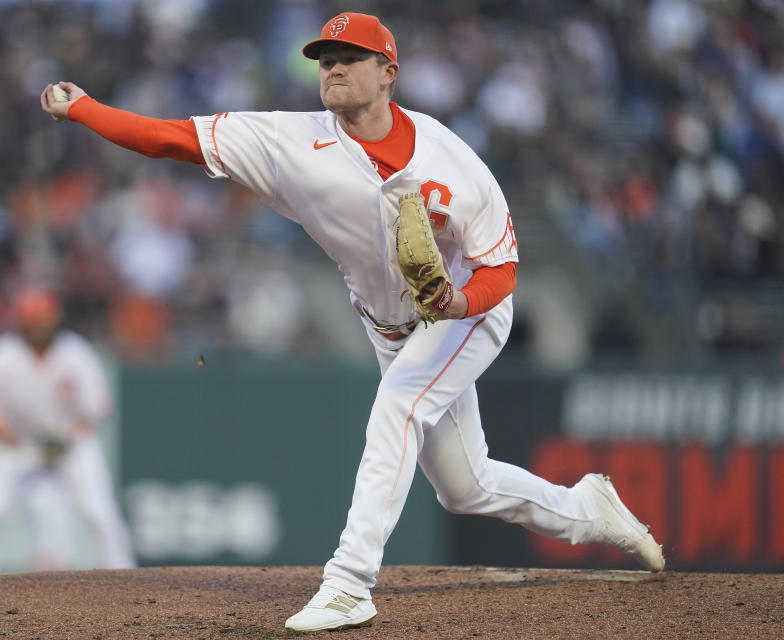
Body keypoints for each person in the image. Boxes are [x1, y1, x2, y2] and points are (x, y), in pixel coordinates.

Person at [40, 12, 664, 631]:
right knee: (464, 487)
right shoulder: (288, 142)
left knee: (398, 406)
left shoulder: (453, 158)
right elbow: (172, 137)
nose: (332, 68)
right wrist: (87, 109)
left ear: (388, 72)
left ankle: (349, 583)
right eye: (325, 59)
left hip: (467, 313)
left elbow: (501, 269)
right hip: (386, 325)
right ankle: (588, 509)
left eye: (349, 58)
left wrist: (456, 303)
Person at [0, 287, 136, 577]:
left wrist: (74, 431)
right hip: (21, 444)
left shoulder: (74, 352)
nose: (38, 329)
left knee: (99, 511)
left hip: (70, 444)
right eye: (32, 323)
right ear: (20, 324)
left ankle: (126, 574)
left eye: (43, 322)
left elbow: (100, 405)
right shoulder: (3, 353)